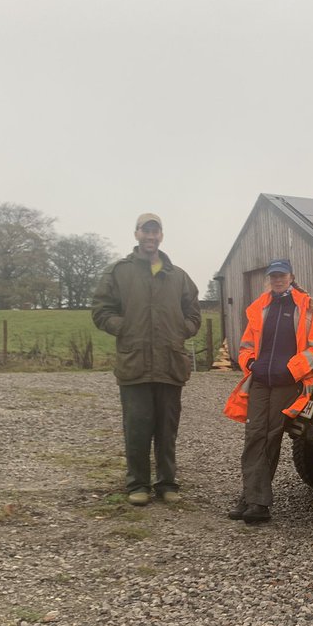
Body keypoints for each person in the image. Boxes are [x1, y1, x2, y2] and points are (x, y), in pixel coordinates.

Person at [92, 212, 202, 506]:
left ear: (161, 236)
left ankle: (167, 483)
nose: (151, 237)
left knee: (167, 430)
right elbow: (101, 310)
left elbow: (194, 313)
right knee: (137, 428)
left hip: (170, 364)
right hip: (135, 364)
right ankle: (137, 485)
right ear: (137, 234)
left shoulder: (178, 276)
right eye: (146, 231)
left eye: (156, 232)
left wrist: (182, 330)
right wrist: (123, 328)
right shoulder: (118, 272)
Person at [223, 259, 313, 524]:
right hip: (260, 381)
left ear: (291, 276)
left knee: (270, 436)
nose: (277, 279)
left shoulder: (309, 308)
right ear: (269, 279)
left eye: (282, 275)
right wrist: (251, 364)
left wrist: (291, 371)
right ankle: (250, 495)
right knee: (253, 435)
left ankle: (257, 501)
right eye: (273, 276)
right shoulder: (260, 307)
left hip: (287, 382)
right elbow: (246, 345)